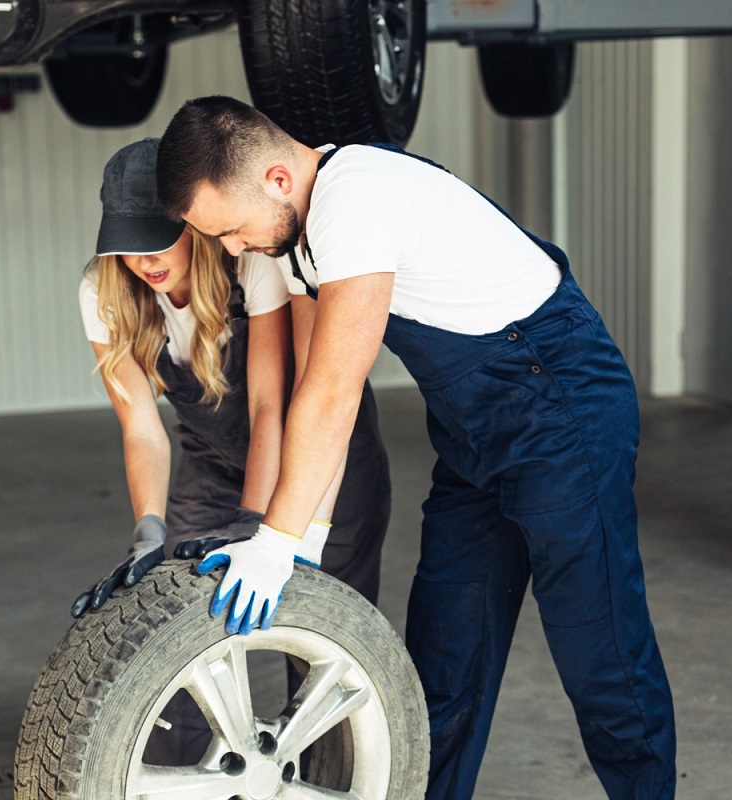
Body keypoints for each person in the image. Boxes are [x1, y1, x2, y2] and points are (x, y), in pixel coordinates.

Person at [154, 97, 677, 799]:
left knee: (600, 648)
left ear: (277, 179)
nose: (232, 249)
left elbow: (336, 391)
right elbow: (313, 392)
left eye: (231, 230)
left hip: (559, 406)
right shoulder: (294, 237)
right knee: (443, 656)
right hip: (474, 435)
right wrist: (299, 536)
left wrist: (275, 541)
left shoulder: (357, 199)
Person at [70, 137, 391, 621]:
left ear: (193, 223)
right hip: (212, 465)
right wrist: (148, 530)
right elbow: (140, 428)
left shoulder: (250, 266)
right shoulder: (103, 291)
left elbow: (268, 405)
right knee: (166, 614)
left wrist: (255, 523)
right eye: (129, 246)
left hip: (316, 462)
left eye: (158, 241)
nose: (145, 262)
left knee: (310, 627)